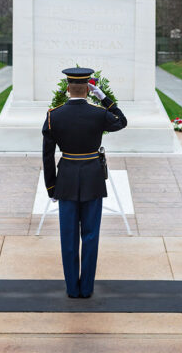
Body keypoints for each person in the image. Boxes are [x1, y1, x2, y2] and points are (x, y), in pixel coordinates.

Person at [42, 67, 127, 298]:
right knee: (90, 236)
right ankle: (87, 288)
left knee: (68, 237)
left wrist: (51, 186)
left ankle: (72, 288)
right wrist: (104, 98)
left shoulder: (53, 115)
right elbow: (122, 121)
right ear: (89, 90)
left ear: (67, 88)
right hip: (93, 179)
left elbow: (47, 156)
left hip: (66, 180)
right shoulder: (99, 114)